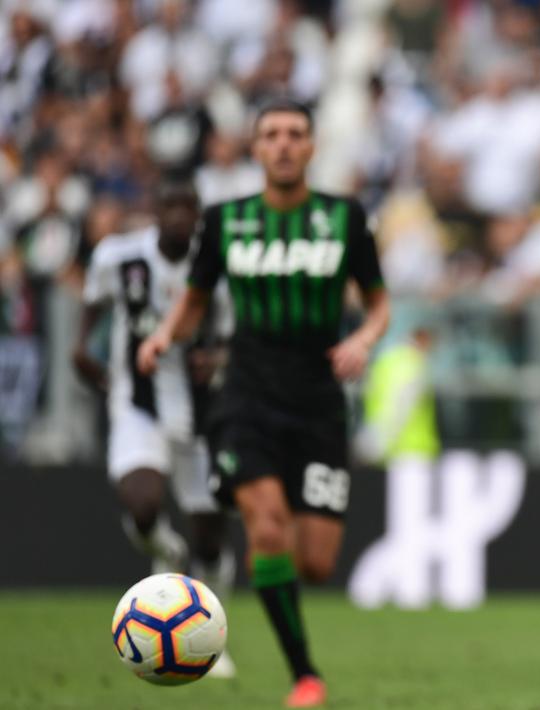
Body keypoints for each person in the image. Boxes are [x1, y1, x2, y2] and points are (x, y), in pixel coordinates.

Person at [137, 99, 389, 708]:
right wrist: (166, 334)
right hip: (245, 393)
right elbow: (195, 299)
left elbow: (379, 303)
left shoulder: (344, 217)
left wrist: (361, 338)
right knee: (268, 528)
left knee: (317, 563)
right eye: (270, 134)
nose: (282, 144)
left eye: (294, 134)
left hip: (319, 402)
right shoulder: (224, 220)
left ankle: (244, 535)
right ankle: (305, 674)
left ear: (310, 147)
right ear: (254, 149)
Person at [74, 181, 236, 678]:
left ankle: (214, 640)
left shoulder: (219, 270)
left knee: (212, 537)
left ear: (199, 217)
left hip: (203, 418)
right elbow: (92, 305)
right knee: (142, 502)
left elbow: (235, 336)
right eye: (170, 206)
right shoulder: (118, 258)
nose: (179, 216)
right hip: (138, 403)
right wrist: (83, 350)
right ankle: (167, 550)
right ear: (155, 211)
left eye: (189, 207)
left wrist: (221, 360)